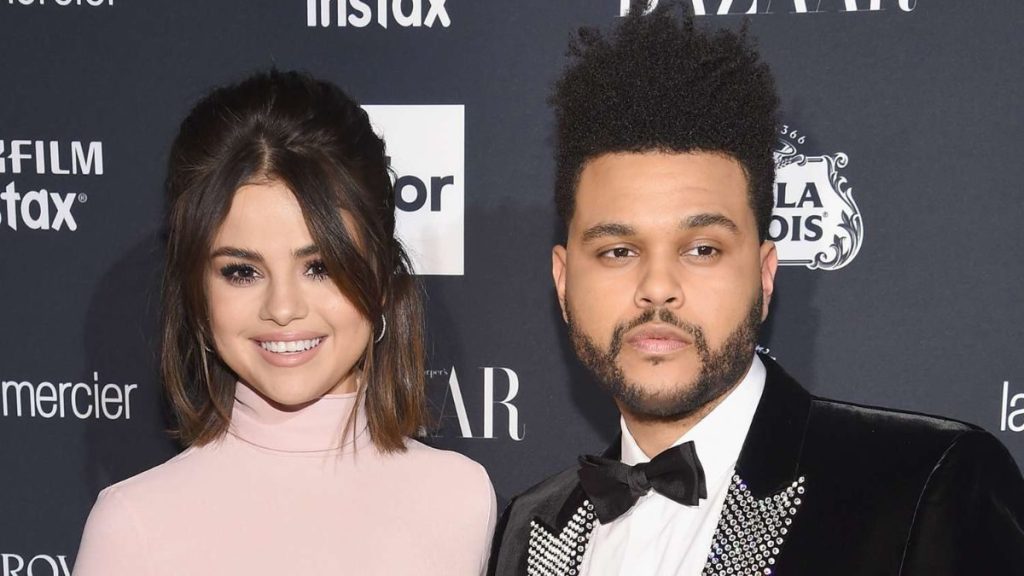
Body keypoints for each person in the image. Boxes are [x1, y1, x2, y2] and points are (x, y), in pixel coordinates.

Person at [487, 4, 1024, 576]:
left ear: (765, 275)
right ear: (563, 281)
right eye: (618, 251)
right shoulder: (530, 527)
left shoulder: (927, 485)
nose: (658, 288)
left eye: (702, 249)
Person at [73, 70, 495, 575]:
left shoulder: (461, 500)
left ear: (382, 278)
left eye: (320, 267)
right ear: (196, 293)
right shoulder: (133, 526)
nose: (283, 307)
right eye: (242, 271)